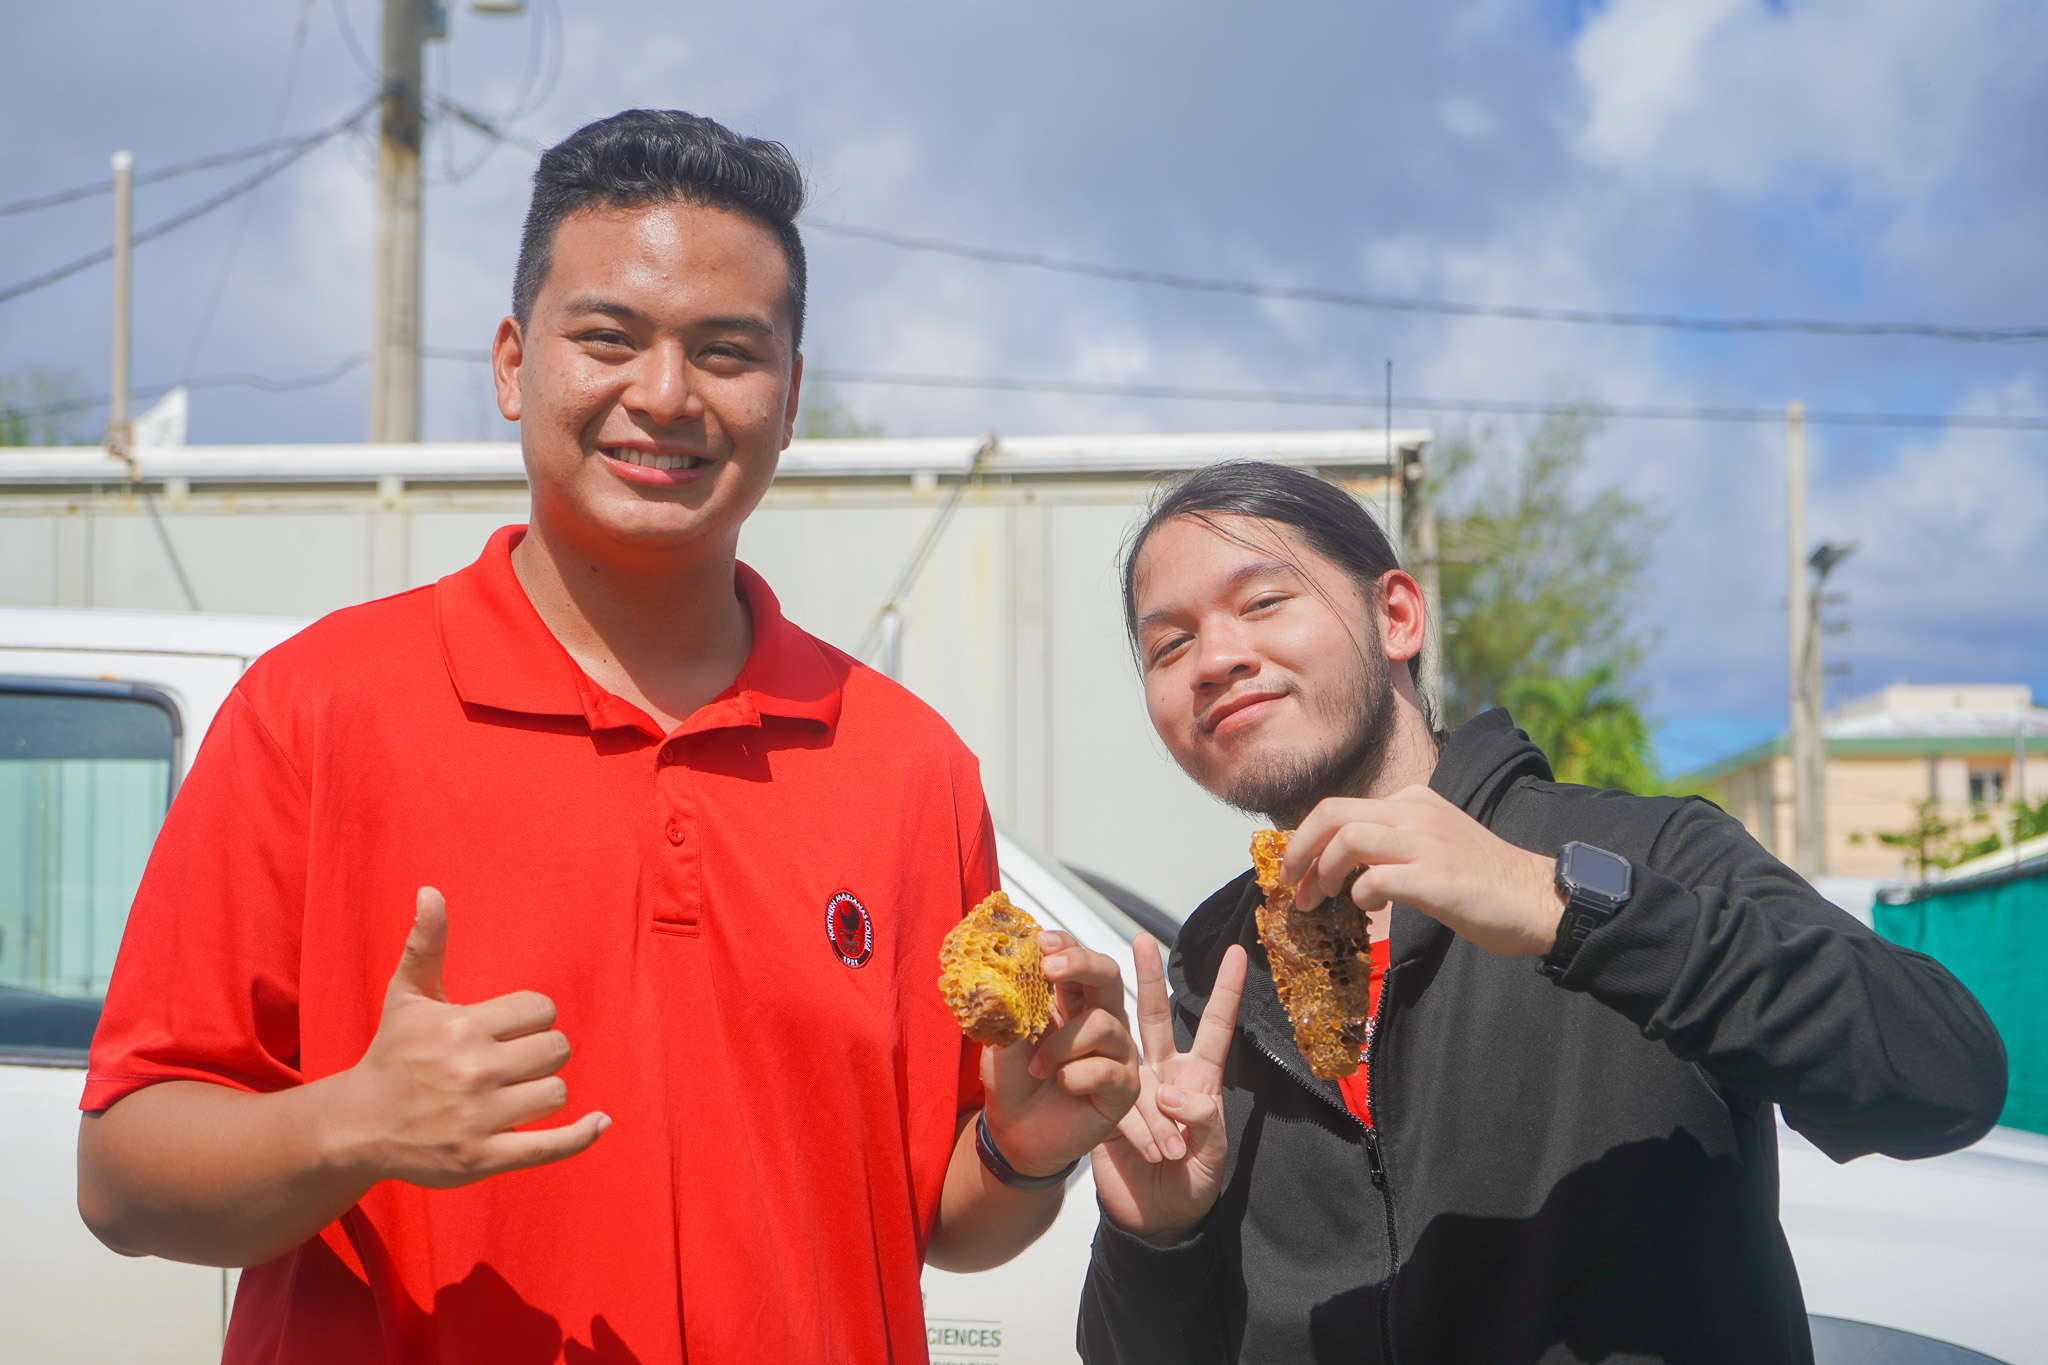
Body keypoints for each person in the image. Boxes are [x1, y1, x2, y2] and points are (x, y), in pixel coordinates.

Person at [76, 109, 1140, 1365]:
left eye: (727, 351)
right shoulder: (320, 708)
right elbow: (124, 1176)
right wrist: (348, 1123)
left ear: (789, 397)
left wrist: (1021, 1149)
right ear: (515, 364)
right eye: (609, 339)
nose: (665, 396)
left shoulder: (905, 767)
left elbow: (934, 1222)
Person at [1078, 460, 2006, 1364]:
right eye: (1170, 645)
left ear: (1396, 614)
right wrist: (1155, 1237)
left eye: (1263, 601)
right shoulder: (1207, 969)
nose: (1217, 659)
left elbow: (1944, 1074)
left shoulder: (1643, 854)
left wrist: (1562, 908)